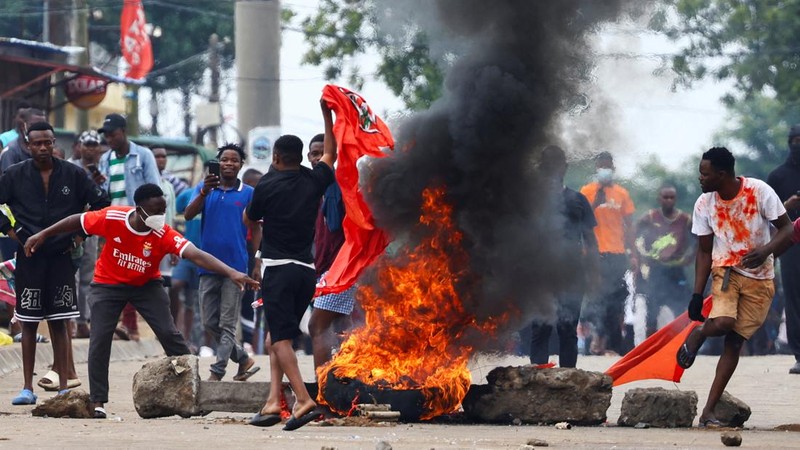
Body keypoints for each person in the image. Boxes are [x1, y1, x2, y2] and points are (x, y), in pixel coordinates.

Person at [24, 183, 260, 418]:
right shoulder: (113, 217)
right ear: (139, 209)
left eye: (163, 210)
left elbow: (196, 254)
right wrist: (43, 234)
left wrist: (231, 272)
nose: (160, 216)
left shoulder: (163, 233)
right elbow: (77, 220)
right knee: (100, 338)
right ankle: (98, 401)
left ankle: (194, 390)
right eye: (155, 211)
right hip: (108, 285)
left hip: (146, 286)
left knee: (169, 333)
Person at [677, 147, 792, 427]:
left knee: (735, 343)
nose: (700, 178)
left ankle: (708, 412)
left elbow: (788, 229)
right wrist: (696, 293)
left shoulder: (759, 191)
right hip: (725, 270)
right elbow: (704, 251)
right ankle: (700, 333)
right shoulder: (704, 204)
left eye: (705, 174)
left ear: (722, 174)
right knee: (725, 321)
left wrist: (765, 251)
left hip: (761, 277)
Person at [0, 121, 110, 405]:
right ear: (27, 145)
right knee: (28, 322)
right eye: (37, 143)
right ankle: (27, 388)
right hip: (29, 257)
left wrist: (80, 234)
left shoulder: (74, 174)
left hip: (62, 256)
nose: (43, 147)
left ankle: (64, 386)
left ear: (54, 143)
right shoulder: (14, 175)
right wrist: (13, 233)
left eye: (48, 142)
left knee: (60, 322)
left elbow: (101, 204)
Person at [245, 100, 337, 430]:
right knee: (275, 337)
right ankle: (272, 402)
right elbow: (330, 155)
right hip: (306, 272)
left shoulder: (266, 186)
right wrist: (328, 115)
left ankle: (302, 400)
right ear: (300, 157)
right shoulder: (314, 181)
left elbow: (251, 218)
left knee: (281, 338)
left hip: (279, 270)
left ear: (275, 158)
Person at [185, 144, 259, 381]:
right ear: (217, 163)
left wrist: (256, 260)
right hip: (207, 265)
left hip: (236, 267)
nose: (228, 164)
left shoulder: (248, 193)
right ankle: (243, 359)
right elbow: (188, 214)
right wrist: (204, 192)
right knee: (209, 322)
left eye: (234, 160)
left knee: (228, 323)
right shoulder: (207, 189)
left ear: (241, 165)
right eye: (224, 160)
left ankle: (217, 372)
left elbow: (257, 227)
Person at [529, 145, 598, 368]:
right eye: (548, 166)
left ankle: (569, 378)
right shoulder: (532, 201)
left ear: (564, 168)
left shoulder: (578, 200)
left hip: (572, 272)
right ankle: (537, 378)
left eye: (557, 166)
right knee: (541, 327)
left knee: (567, 328)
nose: (553, 171)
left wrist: (594, 270)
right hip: (541, 273)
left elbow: (590, 239)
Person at [97, 113, 161, 342]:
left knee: (133, 271)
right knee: (114, 273)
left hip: (136, 223)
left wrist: (151, 222)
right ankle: (123, 324)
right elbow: (104, 192)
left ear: (123, 131)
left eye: (112, 134)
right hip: (112, 223)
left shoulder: (142, 155)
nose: (109, 139)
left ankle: (130, 325)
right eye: (106, 135)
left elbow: (155, 189)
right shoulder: (105, 159)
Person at [305, 133, 354, 371]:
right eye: (314, 154)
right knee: (343, 330)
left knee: (318, 327)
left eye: (323, 153)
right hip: (322, 269)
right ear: (308, 157)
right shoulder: (314, 190)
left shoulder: (340, 184)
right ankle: (341, 382)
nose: (318, 158)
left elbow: (336, 225)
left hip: (342, 269)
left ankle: (324, 387)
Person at [579, 151, 637, 356]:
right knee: (595, 299)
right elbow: (580, 220)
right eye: (601, 166)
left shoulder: (622, 194)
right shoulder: (586, 191)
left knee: (617, 300)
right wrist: (596, 202)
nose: (605, 170)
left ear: (613, 169)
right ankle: (595, 342)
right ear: (596, 169)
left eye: (608, 166)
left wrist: (634, 254)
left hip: (617, 254)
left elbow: (629, 227)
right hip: (594, 254)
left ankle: (611, 345)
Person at [635, 185, 693, 335]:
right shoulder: (650, 217)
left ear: (676, 199)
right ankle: (650, 348)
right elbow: (632, 234)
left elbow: (702, 239)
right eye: (665, 197)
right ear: (659, 199)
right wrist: (639, 256)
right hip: (656, 270)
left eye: (671, 197)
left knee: (681, 310)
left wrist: (690, 257)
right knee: (652, 310)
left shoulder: (685, 219)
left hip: (676, 270)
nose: (668, 200)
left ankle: (680, 345)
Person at [767, 124, 800, 374]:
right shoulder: (778, 176)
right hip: (791, 243)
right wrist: (787, 206)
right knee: (794, 297)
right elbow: (767, 218)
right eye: (795, 140)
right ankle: (799, 354)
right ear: (790, 142)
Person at [68, 130, 105, 339]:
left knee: (89, 275)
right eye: (87, 144)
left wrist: (100, 180)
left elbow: (106, 197)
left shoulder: (103, 169)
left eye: (94, 145)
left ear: (99, 148)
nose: (90, 149)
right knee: (71, 273)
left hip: (93, 226)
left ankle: (84, 321)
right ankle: (71, 321)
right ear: (79, 146)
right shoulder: (69, 166)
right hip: (72, 224)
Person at [0, 107, 46, 173]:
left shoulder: (47, 149)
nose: (38, 129)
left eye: (43, 125)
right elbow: (10, 180)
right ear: (23, 126)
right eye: (33, 125)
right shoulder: (11, 152)